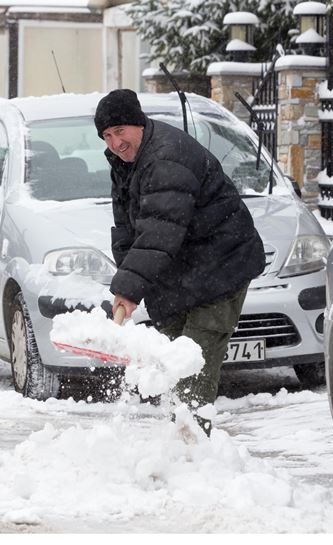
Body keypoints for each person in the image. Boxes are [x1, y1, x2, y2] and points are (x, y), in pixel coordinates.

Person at [94, 89, 265, 435]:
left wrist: (130, 288)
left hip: (220, 267)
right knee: (171, 359)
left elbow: (160, 230)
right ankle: (182, 441)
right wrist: (127, 287)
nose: (115, 143)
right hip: (182, 272)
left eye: (120, 132)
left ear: (138, 124)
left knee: (191, 363)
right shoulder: (125, 163)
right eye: (107, 136)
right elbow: (128, 228)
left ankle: (193, 452)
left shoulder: (166, 158)